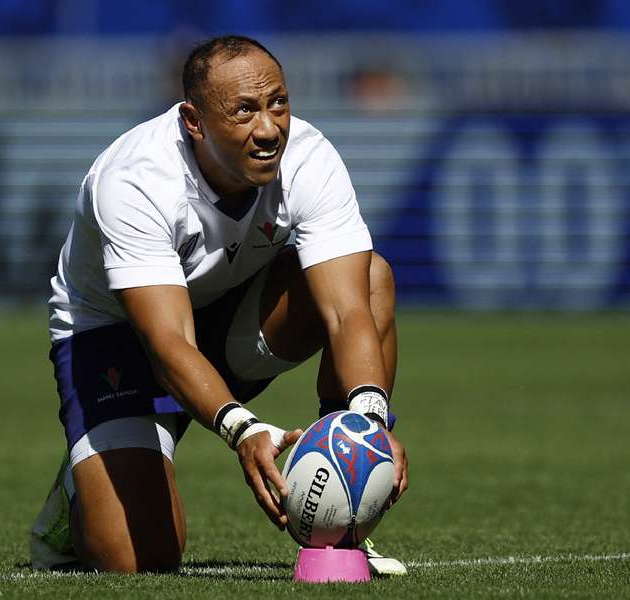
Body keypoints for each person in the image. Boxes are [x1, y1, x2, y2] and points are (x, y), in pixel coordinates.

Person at [29, 35, 408, 576]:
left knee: (369, 277)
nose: (269, 128)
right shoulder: (134, 179)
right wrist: (244, 429)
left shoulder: (309, 156)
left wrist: (369, 427)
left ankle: (341, 516)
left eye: (278, 102)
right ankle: (77, 492)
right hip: (120, 335)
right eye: (244, 111)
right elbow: (166, 344)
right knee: (142, 561)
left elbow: (347, 311)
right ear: (194, 121)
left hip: (228, 317)